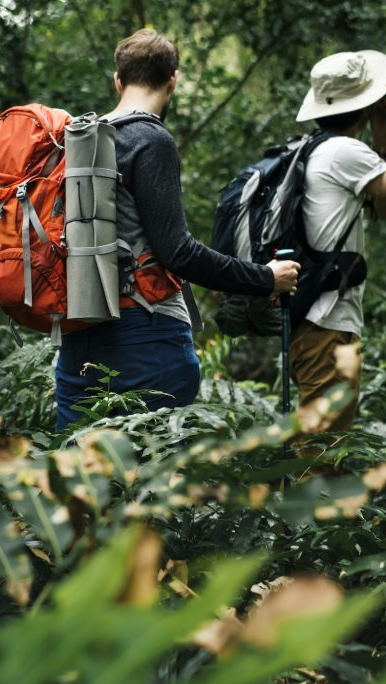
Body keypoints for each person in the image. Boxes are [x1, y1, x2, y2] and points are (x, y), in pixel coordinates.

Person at [54, 29, 300, 430]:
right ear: (173, 80)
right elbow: (178, 252)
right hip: (145, 334)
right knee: (156, 478)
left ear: (118, 80)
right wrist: (264, 278)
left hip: (77, 332)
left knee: (84, 478)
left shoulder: (80, 138)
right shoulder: (151, 140)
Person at [291, 50, 386, 431]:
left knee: (325, 449)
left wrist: (381, 136)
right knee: (321, 456)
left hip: (319, 322)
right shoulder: (344, 152)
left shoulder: (318, 148)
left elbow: (381, 210)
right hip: (327, 325)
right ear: (365, 103)